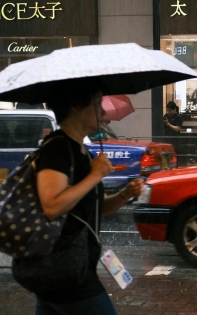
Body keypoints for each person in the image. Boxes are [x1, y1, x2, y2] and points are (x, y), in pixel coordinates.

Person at [28, 82, 143, 314]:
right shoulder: (58, 148)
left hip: (69, 267)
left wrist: (124, 195)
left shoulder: (81, 150)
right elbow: (52, 206)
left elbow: (93, 209)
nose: (103, 112)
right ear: (75, 107)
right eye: (97, 104)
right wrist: (95, 175)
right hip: (65, 271)